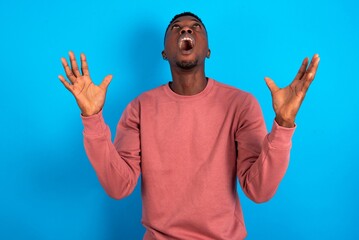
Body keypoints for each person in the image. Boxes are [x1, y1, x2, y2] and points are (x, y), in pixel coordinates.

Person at [59, 12, 319, 240]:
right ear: (164, 53)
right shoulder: (139, 108)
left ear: (208, 50)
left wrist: (283, 124)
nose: (185, 29)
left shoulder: (241, 104)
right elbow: (119, 186)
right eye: (176, 28)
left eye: (195, 27)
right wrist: (92, 118)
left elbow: (259, 190)